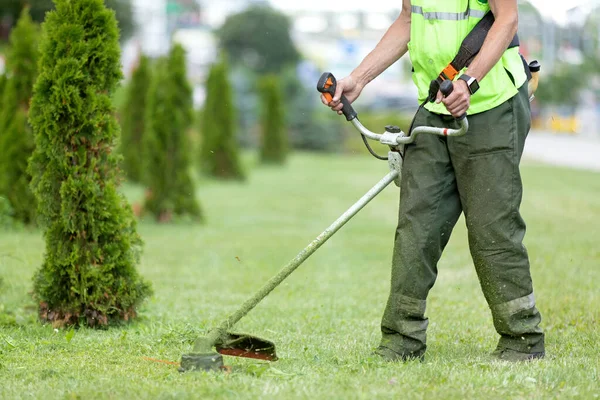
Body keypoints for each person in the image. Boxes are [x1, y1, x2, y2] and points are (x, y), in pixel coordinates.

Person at [322, 0, 545, 362]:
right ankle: (401, 340)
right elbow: (409, 20)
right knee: (416, 226)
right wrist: (357, 79)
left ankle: (523, 339)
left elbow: (507, 18)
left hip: (490, 105)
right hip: (436, 106)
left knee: (493, 228)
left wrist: (469, 82)